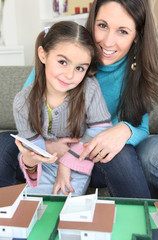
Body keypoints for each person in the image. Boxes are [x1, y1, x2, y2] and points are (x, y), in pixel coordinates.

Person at [0, 0, 158, 198]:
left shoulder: (136, 73)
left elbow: (140, 128)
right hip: (48, 152)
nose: (108, 41)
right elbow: (28, 112)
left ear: (137, 36)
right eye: (102, 26)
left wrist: (124, 129)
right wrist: (47, 147)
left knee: (121, 153)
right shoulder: (65, 49)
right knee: (3, 142)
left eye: (123, 31)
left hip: (89, 156)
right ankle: (8, 216)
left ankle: (143, 225)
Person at [13, 21, 112, 196]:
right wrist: (29, 161)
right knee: (38, 208)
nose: (70, 75)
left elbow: (101, 130)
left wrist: (66, 164)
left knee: (66, 208)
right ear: (43, 55)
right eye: (62, 62)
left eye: (80, 68)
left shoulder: (89, 89)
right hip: (43, 166)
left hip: (78, 161)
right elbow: (33, 149)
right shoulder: (22, 102)